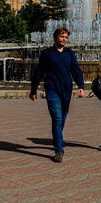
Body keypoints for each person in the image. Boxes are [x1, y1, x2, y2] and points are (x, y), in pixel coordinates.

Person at [29, 27, 85, 162]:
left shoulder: (69, 53)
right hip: (52, 89)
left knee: (62, 120)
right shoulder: (47, 53)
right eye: (62, 37)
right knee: (57, 119)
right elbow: (39, 72)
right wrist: (33, 89)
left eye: (66, 37)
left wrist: (81, 86)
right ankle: (59, 150)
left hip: (66, 90)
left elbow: (76, 70)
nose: (64, 39)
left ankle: (57, 139)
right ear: (55, 37)